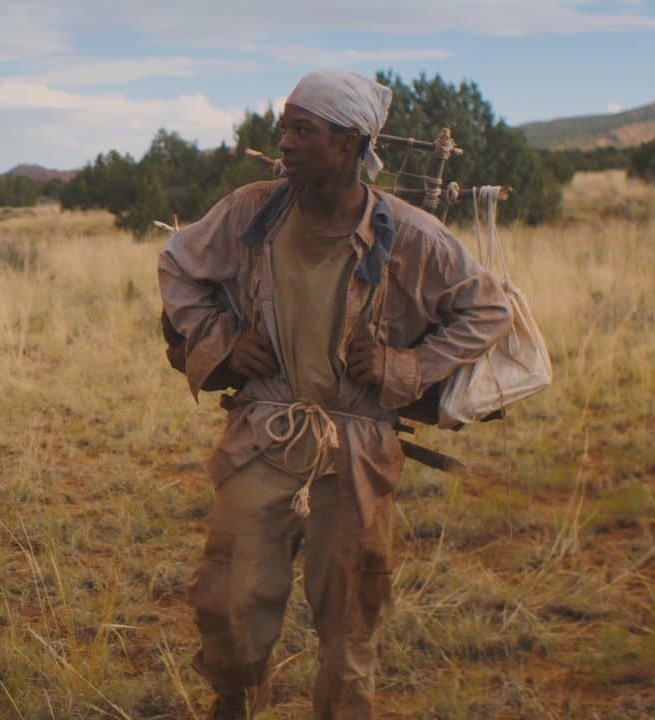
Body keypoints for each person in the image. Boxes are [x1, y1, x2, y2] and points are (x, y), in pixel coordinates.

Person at [159, 69, 513, 719]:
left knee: (350, 615)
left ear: (349, 143)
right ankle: (234, 699)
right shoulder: (251, 212)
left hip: (356, 446)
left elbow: (488, 309)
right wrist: (222, 344)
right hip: (264, 432)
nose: (285, 143)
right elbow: (177, 264)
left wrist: (407, 366)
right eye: (284, 128)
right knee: (228, 599)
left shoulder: (410, 233)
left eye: (303, 130)